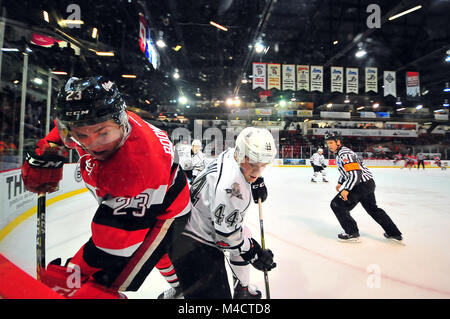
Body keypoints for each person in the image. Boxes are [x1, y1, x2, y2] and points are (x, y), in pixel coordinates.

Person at [21, 76, 191, 298]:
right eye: (82, 135)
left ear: (120, 121)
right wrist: (51, 146)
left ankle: (182, 288)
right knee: (159, 253)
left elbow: (115, 246)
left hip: (165, 209)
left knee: (103, 283)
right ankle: (182, 287)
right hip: (149, 191)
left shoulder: (135, 170)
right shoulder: (100, 119)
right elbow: (69, 124)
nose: (92, 144)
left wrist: (75, 272)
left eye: (102, 133)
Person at [169, 127, 277, 299]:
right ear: (242, 155)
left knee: (244, 235)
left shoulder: (232, 154)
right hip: (192, 243)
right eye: (253, 164)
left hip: (192, 226)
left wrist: (255, 181)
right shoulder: (230, 186)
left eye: (263, 165)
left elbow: (232, 233)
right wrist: (254, 252)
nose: (257, 172)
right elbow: (227, 237)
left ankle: (241, 287)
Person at [324, 132, 403, 243]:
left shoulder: (345, 154)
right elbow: (347, 171)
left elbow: (356, 174)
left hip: (360, 185)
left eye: (331, 142)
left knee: (337, 205)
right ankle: (394, 233)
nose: (329, 145)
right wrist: (340, 182)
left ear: (338, 142)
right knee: (373, 210)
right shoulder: (341, 152)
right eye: (328, 143)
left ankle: (352, 233)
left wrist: (346, 189)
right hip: (368, 183)